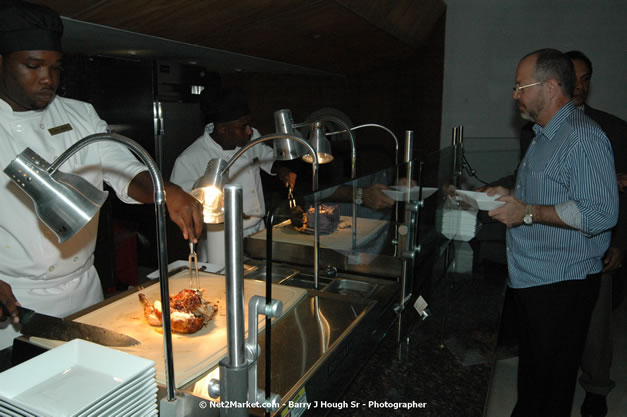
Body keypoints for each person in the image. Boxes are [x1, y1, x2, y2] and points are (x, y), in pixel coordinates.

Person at [0, 0, 203, 349]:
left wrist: (164, 190)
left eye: (55, 67)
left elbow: (122, 167)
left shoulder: (80, 115)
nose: (48, 79)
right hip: (16, 302)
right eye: (33, 66)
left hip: (85, 289)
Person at [485, 49, 618, 417]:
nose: (515, 95)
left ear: (551, 85)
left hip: (562, 282)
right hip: (534, 276)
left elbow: (600, 212)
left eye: (520, 87)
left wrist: (525, 212)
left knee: (552, 382)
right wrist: (510, 198)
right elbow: (547, 195)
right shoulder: (544, 135)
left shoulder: (582, 138)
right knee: (536, 374)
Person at [561, 50, 627, 417]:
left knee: (597, 323)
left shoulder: (614, 128)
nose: (581, 85)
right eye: (574, 77)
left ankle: (597, 387)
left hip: (596, 241)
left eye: (586, 77)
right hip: (552, 243)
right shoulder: (535, 130)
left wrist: (620, 243)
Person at [170, 84, 296, 261]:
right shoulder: (189, 159)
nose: (250, 131)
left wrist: (280, 169)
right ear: (222, 129)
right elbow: (184, 211)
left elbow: (264, 156)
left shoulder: (250, 139)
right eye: (243, 126)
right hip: (220, 240)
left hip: (258, 232)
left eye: (250, 124)